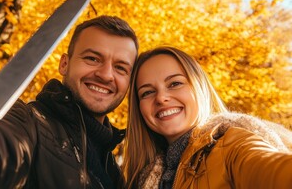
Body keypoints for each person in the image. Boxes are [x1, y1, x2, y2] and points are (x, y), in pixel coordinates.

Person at [0, 15, 139, 189]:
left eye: (121, 68)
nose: (105, 75)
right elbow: (2, 148)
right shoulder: (29, 121)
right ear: (64, 64)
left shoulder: (114, 169)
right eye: (92, 59)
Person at [122, 46, 292, 189]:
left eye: (175, 83)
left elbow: (272, 169)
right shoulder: (143, 178)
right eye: (148, 92)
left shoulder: (232, 146)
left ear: (199, 87)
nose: (161, 98)